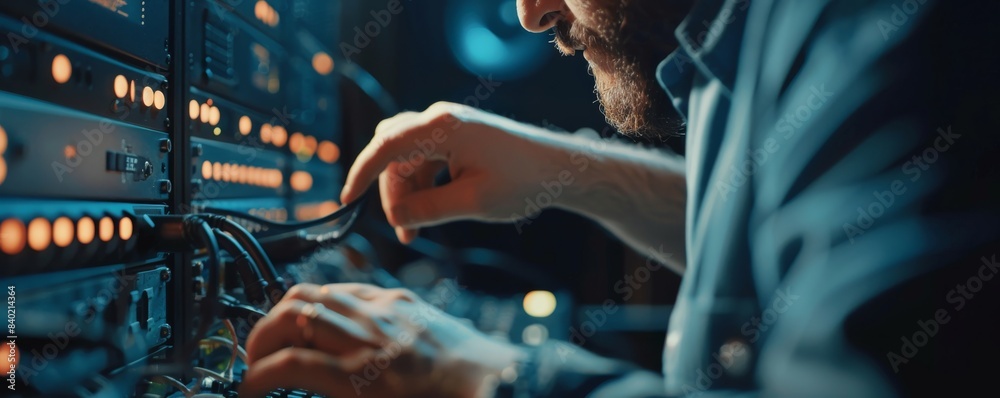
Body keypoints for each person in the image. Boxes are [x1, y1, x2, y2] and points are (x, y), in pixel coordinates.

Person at [240, 0, 1000, 396]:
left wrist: (487, 379)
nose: (532, 13)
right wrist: (577, 172)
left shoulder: (870, 25)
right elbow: (778, 246)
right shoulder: (729, 45)